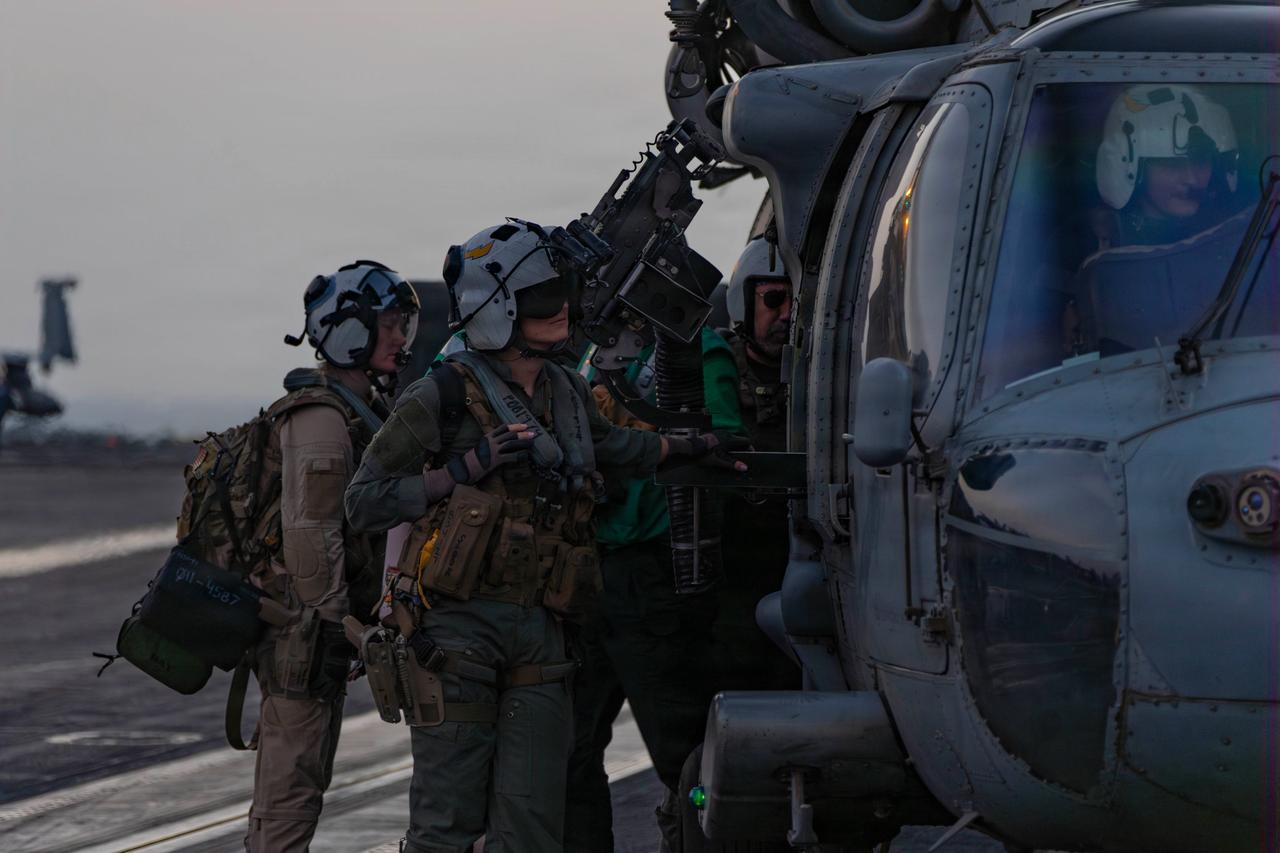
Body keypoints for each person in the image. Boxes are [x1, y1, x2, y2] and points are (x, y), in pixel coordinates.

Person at [343, 219, 741, 853]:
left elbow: (618, 447)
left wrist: (692, 448)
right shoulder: (441, 394)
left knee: (532, 825)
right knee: (446, 826)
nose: (560, 308)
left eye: (561, 292)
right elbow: (364, 501)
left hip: (544, 628)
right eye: (540, 297)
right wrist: (458, 473)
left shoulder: (566, 390)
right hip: (458, 634)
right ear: (497, 306)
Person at [244, 260, 419, 853]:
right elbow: (312, 539)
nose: (399, 337)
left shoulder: (358, 410)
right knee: (291, 789)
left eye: (401, 324)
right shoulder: (321, 419)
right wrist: (339, 627)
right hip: (306, 631)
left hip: (320, 626)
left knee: (299, 782)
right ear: (349, 333)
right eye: (388, 325)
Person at [564, 327, 744, 853]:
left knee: (683, 758)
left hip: (654, 575)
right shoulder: (597, 355)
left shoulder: (695, 351)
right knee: (571, 750)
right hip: (589, 573)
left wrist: (653, 447)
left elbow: (728, 444)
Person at [715, 233, 799, 693]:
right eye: (773, 300)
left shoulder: (817, 375)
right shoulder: (716, 370)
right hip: (735, 567)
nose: (786, 314)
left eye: (794, 301)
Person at [1092, 83, 1240, 249]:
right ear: (1126, 166)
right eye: (1172, 164)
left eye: (1200, 161)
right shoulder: (1096, 241)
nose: (1192, 179)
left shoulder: (1236, 236)